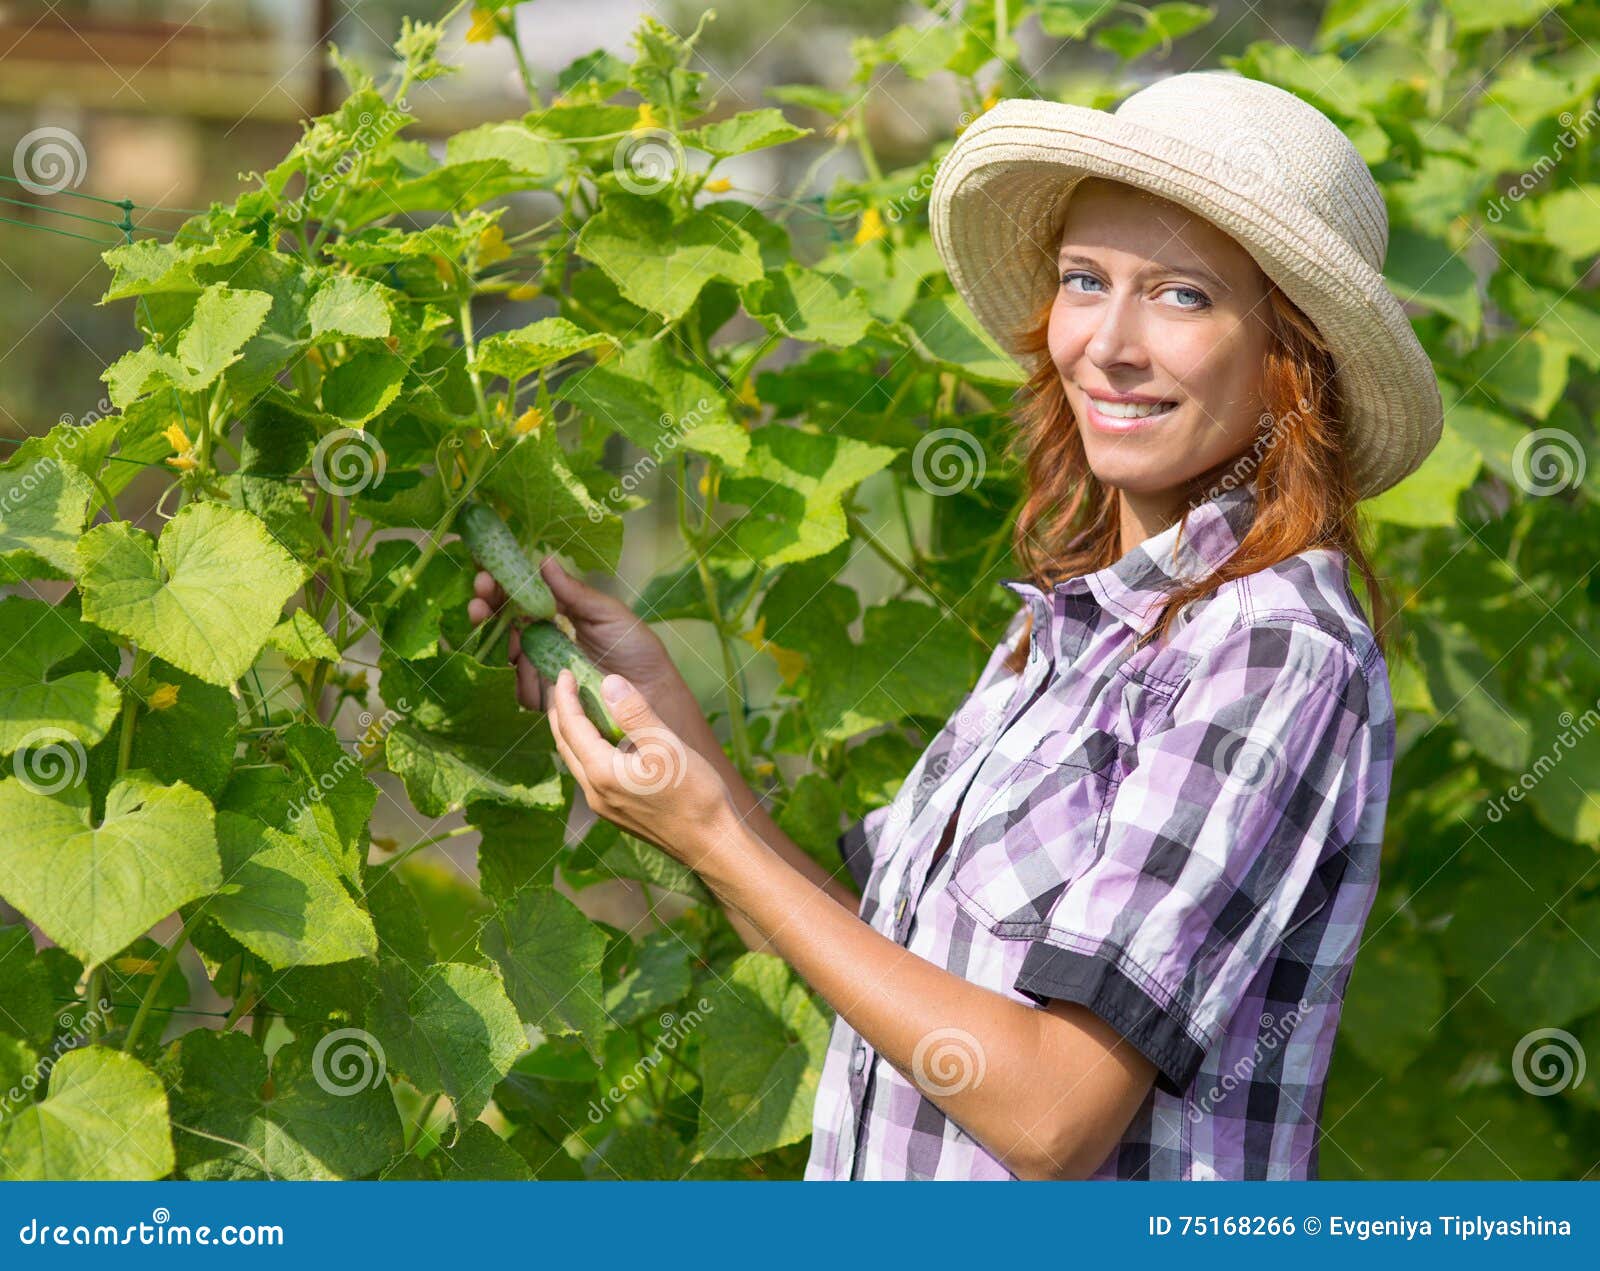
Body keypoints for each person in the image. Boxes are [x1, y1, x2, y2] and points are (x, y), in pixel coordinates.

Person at [465, 69, 1443, 1180]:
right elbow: (878, 966)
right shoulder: (1074, 627)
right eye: (1085, 280)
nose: (1109, 343)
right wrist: (675, 732)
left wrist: (711, 835)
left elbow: (1053, 1114)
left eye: (1181, 296)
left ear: (1292, 363)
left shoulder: (1270, 649)